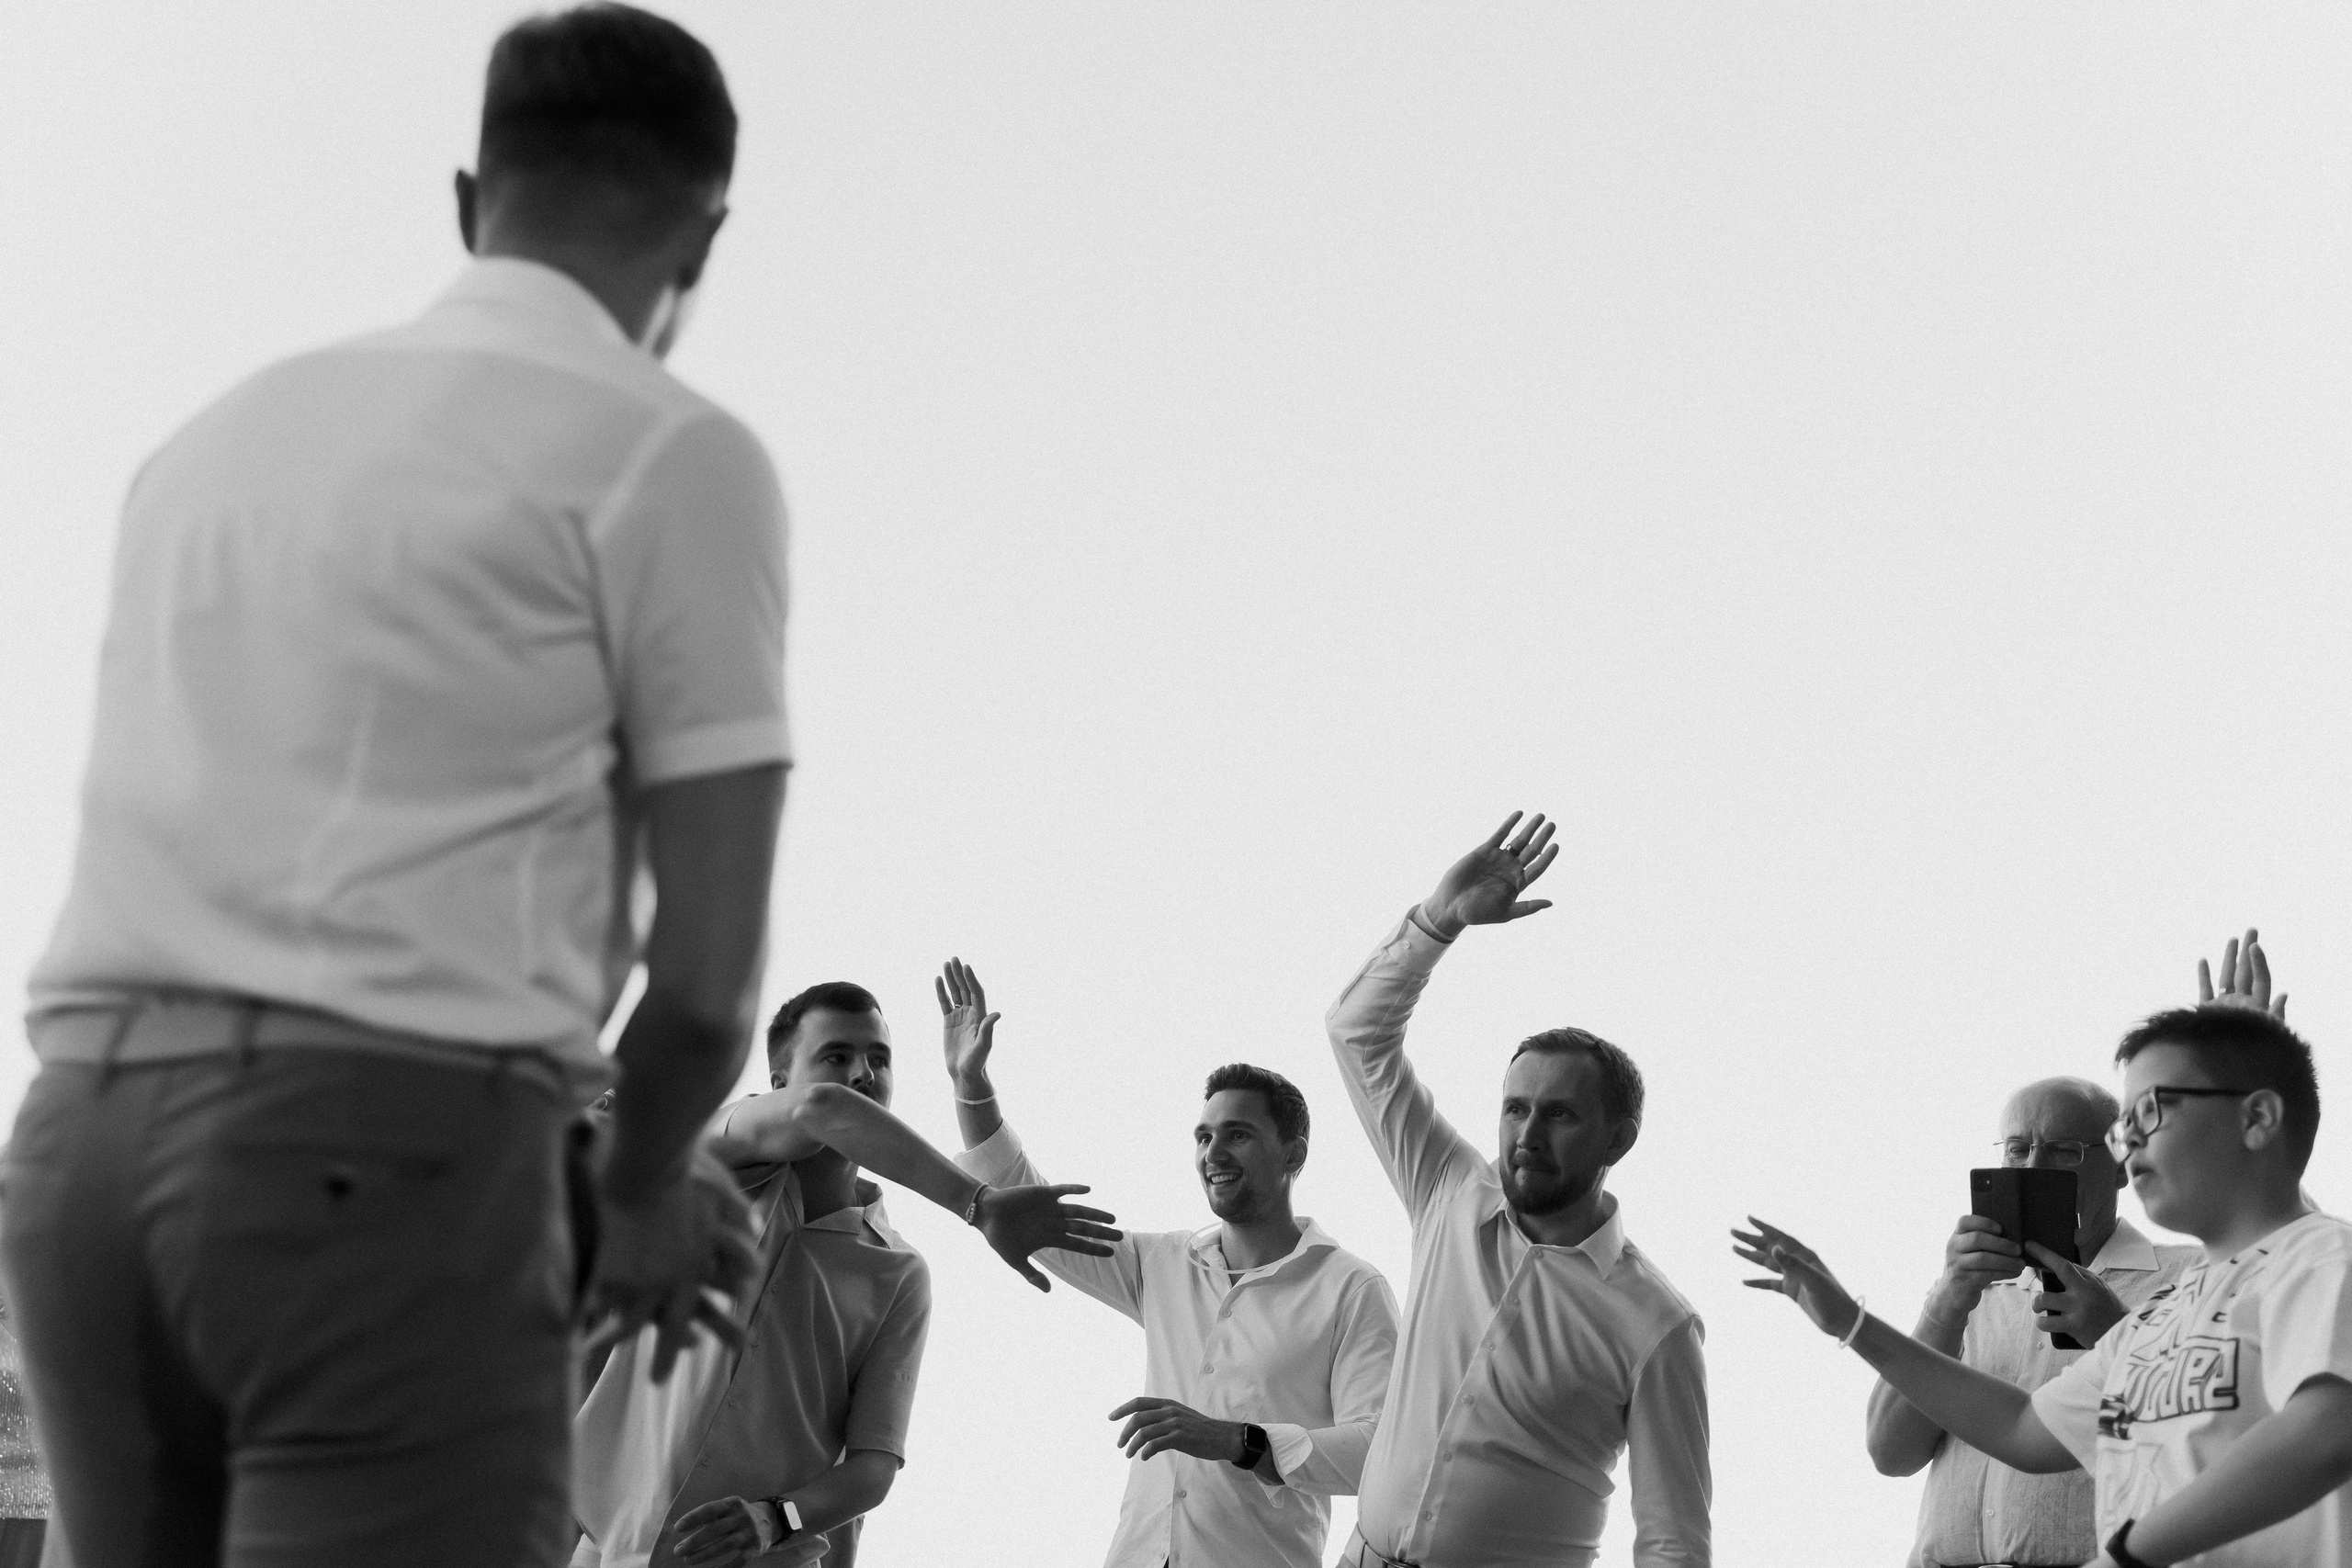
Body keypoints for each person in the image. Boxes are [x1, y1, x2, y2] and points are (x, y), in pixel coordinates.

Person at [4, 8, 785, 1564]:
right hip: (379, 1176)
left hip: (79, 1155)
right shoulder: (671, 451)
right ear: (704, 241)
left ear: (465, 199)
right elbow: (705, 989)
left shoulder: (216, 440)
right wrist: (633, 1191)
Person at [1739, 987, 2352, 1566]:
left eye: (2153, 1109)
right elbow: (2021, 1428)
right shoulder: (2167, 1315)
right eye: (2124, 1121)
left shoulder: (2320, 1257)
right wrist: (1851, 1319)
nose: (2131, 1137)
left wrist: (2127, 1552)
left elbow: (2329, 1425)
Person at [571, 981, 1120, 1568]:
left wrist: (775, 1518)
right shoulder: (710, 1162)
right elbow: (822, 1111)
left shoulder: (901, 1272)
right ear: (778, 1083)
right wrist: (978, 1205)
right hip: (613, 1548)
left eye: (879, 1059)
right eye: (836, 1056)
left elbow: (874, 1466)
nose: (863, 1074)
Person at [1328, 814, 1712, 1568]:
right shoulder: (1448, 1190)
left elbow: (1673, 1542)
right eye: (1515, 1107)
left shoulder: (1657, 1326)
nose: (1527, 1131)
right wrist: (1439, 921)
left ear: (1618, 1139)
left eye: (1560, 1113)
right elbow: (1356, 1035)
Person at [937, 959, 1399, 1568]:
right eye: (1203, 1137)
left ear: (1294, 1152)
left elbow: (1385, 1452)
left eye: (1237, 1135)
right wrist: (971, 1085)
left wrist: (1240, 1441)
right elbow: (1027, 1203)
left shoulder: (1351, 1288)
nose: (1213, 1153)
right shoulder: (1163, 1263)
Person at [1869, 935, 2276, 1568]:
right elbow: (1889, 1453)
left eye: (2062, 1151)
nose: (2033, 1166)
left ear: (2119, 1163)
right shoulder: (1968, 1292)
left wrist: (2113, 1331)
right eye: (2017, 1148)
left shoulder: (2188, 1276)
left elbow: (2220, 1438)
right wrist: (1949, 1301)